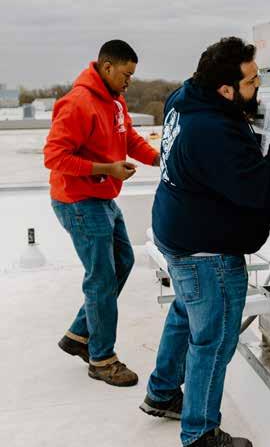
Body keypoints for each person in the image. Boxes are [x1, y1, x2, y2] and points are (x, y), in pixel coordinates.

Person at [140, 37, 270, 446]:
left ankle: (162, 393)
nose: (258, 87)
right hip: (206, 252)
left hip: (177, 234)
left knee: (186, 312)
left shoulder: (184, 98)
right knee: (213, 341)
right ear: (225, 89)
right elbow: (258, 188)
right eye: (251, 81)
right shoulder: (211, 130)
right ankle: (200, 434)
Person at [43, 40, 160, 387]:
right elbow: (54, 157)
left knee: (123, 261)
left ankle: (79, 335)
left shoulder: (115, 101)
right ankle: (102, 359)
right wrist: (107, 168)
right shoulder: (78, 103)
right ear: (107, 67)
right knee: (102, 280)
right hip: (78, 201)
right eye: (126, 74)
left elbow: (129, 138)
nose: (129, 82)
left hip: (102, 197)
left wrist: (159, 159)